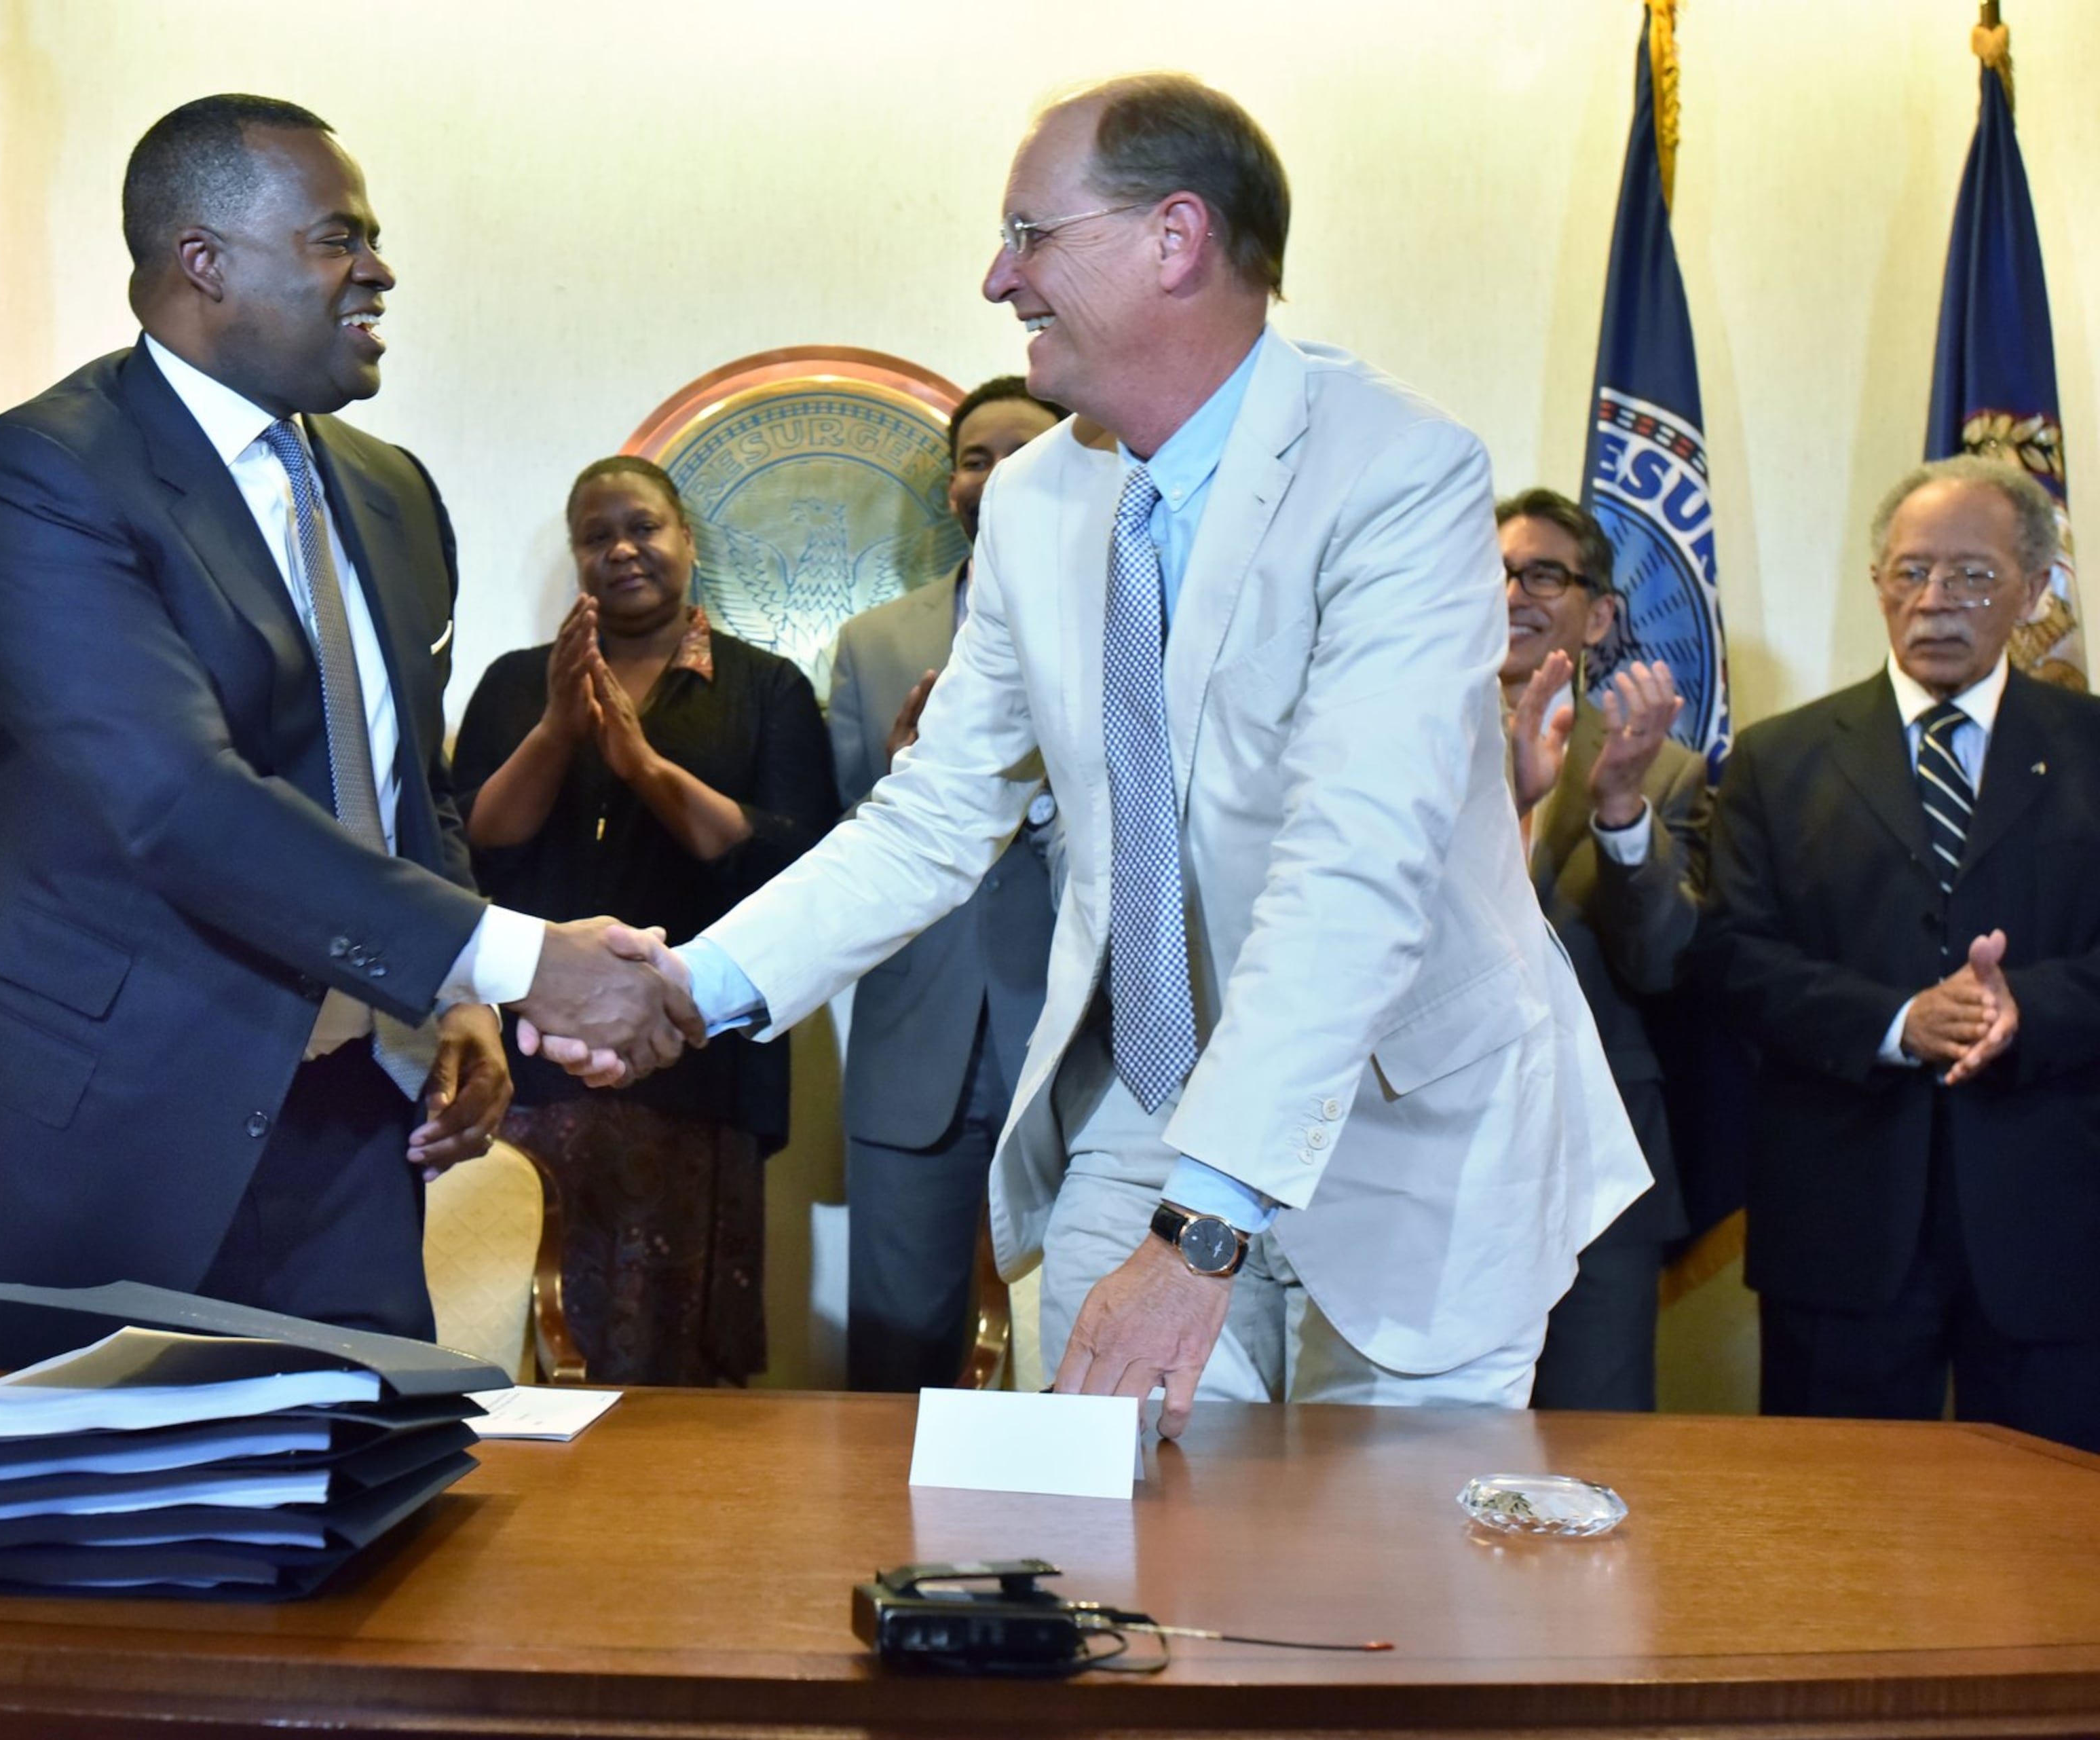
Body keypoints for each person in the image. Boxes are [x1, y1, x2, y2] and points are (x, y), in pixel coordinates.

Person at [540, 73, 1645, 1431]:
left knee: (1388, 1602)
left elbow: (1359, 863)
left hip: (1412, 1122)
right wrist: (694, 986)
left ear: (1173, 239)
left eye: (1029, 233)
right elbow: (932, 816)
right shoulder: (1035, 502)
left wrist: (1202, 1238)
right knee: (1136, 1576)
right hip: (1147, 1099)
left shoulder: (1398, 474)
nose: (999, 279)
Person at [0, 94, 698, 1370]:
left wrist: (454, 999)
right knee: (72, 1558)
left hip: (349, 1131)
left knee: (358, 1520)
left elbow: (408, 792)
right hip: (91, 1136)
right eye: (340, 239)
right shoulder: (40, 476)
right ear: (202, 263)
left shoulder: (392, 495)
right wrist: (514, 958)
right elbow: (173, 799)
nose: (379, 270)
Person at [1693, 455, 2100, 1453]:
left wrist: (2025, 1010)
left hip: (2052, 1219)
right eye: (1911, 572)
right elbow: (1735, 957)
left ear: (2036, 590)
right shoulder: (1780, 759)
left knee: (2049, 1549)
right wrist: (1898, 1021)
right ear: (1878, 584)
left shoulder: (2092, 748)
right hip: (1842, 1217)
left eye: (1971, 575)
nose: (1934, 601)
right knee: (1837, 1541)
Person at [452, 456, 836, 1384]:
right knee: (540, 1331)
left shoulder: (766, 688)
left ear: (688, 542)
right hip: (544, 1065)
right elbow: (475, 846)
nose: (622, 549)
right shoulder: (516, 682)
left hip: (699, 1066)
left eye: (644, 527)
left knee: (679, 1353)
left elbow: (791, 860)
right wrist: (557, 728)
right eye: (596, 536)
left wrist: (642, 765)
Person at [826, 376, 1062, 1390]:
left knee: (1089, 1347)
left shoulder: (1133, 629)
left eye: (1025, 453)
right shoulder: (875, 644)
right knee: (894, 1358)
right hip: (914, 1048)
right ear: (953, 486)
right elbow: (832, 854)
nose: (996, 475)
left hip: (1073, 1041)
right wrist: (903, 784)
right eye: (975, 457)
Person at [1497, 487, 1706, 1411]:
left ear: (1602, 613)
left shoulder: (1663, 769)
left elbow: (1662, 962)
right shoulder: (1395, 748)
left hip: (1597, 1165)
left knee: (1593, 1444)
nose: (1512, 593)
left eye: (1544, 573)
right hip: (1419, 1154)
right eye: (1494, 572)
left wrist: (1621, 811)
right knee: (1412, 1462)